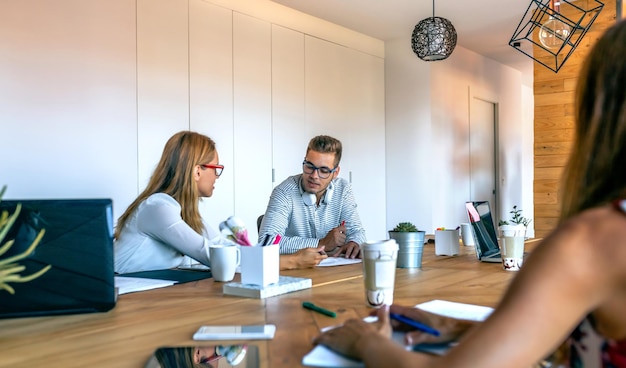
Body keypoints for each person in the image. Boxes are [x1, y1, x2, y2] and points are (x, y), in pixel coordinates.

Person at [313, 19, 626, 368]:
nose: (316, 174)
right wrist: (461, 328)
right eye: (311, 167)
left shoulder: (594, 241)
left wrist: (366, 342)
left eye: (324, 169)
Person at [114, 131, 324, 273]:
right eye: (216, 168)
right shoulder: (158, 208)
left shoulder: (183, 212)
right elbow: (213, 256)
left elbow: (222, 245)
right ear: (197, 171)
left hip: (150, 295)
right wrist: (293, 261)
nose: (217, 176)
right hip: (124, 296)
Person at [258, 135, 367, 263]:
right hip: (294, 272)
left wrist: (354, 242)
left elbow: (357, 232)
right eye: (309, 166)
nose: (314, 176)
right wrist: (321, 243)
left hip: (332, 271)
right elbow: (267, 242)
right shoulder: (284, 192)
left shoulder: (343, 189)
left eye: (324, 170)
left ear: (335, 173)